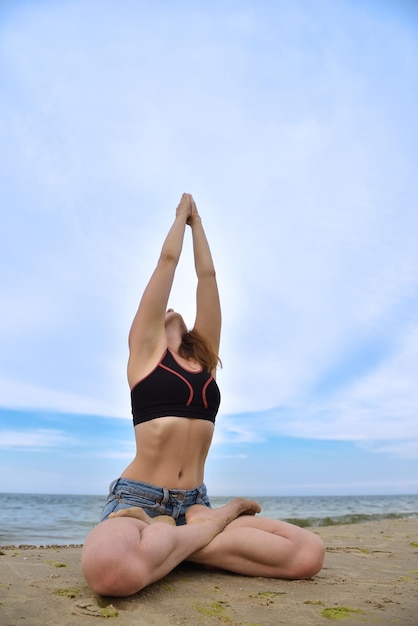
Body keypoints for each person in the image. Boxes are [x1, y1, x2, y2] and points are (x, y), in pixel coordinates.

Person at [81, 193, 325, 597]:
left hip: (195, 503)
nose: (170, 307)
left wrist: (200, 225)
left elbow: (207, 278)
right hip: (140, 501)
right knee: (108, 572)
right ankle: (209, 529)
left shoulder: (206, 356)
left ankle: (172, 547)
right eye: (163, 308)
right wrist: (180, 217)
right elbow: (167, 264)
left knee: (307, 554)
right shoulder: (145, 352)